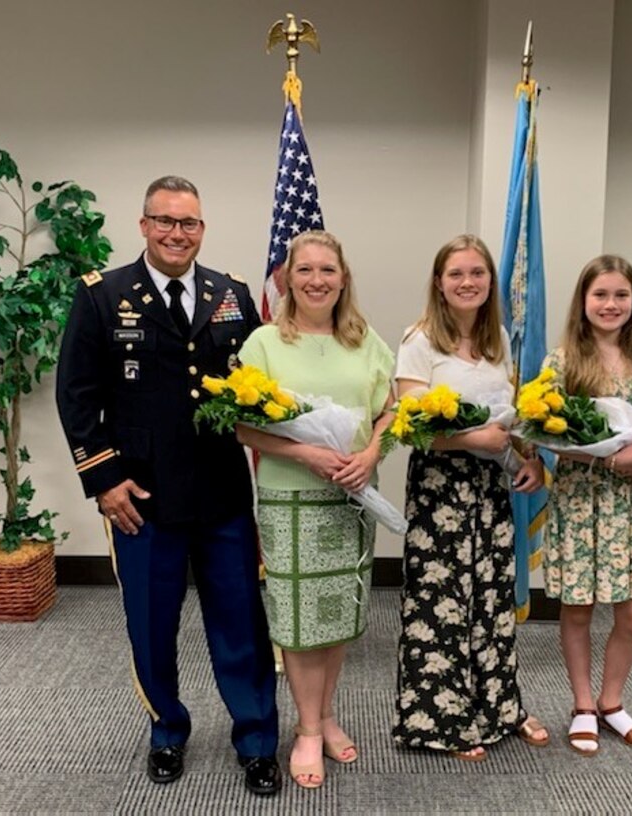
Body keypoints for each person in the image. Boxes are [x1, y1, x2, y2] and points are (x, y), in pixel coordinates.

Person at [55, 176, 280, 794]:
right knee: (151, 625)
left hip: (222, 494)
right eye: (165, 221)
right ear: (144, 225)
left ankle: (257, 739)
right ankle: (166, 732)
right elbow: (76, 396)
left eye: (189, 223)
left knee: (241, 623)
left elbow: (259, 383)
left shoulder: (230, 294)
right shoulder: (103, 297)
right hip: (142, 498)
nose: (177, 233)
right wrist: (104, 481)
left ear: (202, 229)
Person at [235, 230, 394, 790]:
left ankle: (327, 715)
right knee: (301, 621)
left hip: (353, 498)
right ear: (287, 278)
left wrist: (372, 451)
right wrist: (305, 451)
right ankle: (305, 728)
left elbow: (388, 412)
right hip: (291, 497)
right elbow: (242, 423)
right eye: (305, 270)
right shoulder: (263, 343)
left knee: (340, 615)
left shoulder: (365, 341)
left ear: (343, 277)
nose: (317, 280)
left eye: (327, 270)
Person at [391, 234, 549, 761]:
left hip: (492, 488)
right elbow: (409, 428)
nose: (467, 282)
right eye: (456, 273)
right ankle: (442, 721)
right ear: (439, 282)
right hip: (441, 488)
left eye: (477, 273)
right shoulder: (418, 341)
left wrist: (526, 460)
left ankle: (499, 707)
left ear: (489, 283)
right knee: (443, 606)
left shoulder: (499, 339)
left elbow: (511, 419)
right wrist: (469, 440)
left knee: (491, 602)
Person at [542, 253, 632, 756]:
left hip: (630, 504)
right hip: (581, 499)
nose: (611, 304)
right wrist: (608, 461)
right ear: (583, 301)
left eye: (621, 294)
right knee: (579, 609)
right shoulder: (562, 361)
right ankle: (581, 705)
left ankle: (611, 701)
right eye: (600, 294)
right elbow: (546, 436)